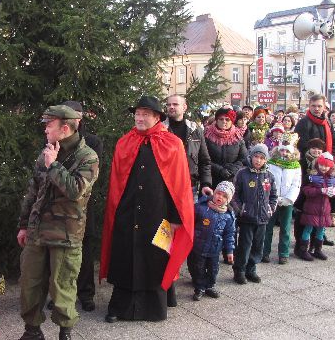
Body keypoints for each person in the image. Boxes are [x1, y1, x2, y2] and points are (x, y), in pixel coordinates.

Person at [100, 96, 193, 323]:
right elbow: (117, 182)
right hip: (127, 212)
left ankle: (154, 308)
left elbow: (179, 186)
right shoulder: (125, 142)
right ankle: (120, 307)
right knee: (125, 257)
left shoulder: (172, 144)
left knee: (156, 259)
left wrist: (174, 218)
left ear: (157, 117)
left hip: (158, 214)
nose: (140, 118)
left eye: (145, 114)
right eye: (137, 114)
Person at [17, 105, 99, 340]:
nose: (45, 129)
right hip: (37, 232)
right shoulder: (46, 152)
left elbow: (75, 190)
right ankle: (32, 331)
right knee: (30, 284)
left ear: (64, 128)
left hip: (66, 234)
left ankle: (65, 333)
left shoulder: (88, 157)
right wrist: (24, 225)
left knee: (62, 286)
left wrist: (53, 165)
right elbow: (32, 193)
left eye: (49, 125)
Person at [61, 100, 103, 312]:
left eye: (77, 115)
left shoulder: (92, 142)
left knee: (84, 251)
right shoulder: (53, 140)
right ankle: (61, 294)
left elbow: (87, 175)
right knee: (60, 253)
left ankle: (86, 293)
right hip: (59, 208)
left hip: (83, 205)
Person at [230, 144, 277, 285]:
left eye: (262, 158)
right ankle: (240, 270)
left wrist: (270, 209)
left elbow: (274, 195)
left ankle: (251, 269)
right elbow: (234, 194)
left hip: (262, 217)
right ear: (251, 157)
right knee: (244, 246)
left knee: (258, 246)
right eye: (256, 157)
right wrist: (240, 209)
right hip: (246, 217)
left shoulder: (269, 176)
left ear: (265, 160)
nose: (258, 160)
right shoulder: (243, 173)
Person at [189, 181, 235, 301]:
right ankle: (199, 287)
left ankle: (209, 286)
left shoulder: (228, 216)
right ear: (214, 193)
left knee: (213, 269)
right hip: (199, 246)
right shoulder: (201, 208)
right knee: (198, 268)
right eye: (218, 193)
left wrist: (229, 251)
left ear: (228, 200)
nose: (220, 197)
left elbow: (229, 234)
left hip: (215, 248)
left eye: (224, 196)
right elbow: (190, 221)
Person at [164, 94, 213, 196]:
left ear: (184, 107)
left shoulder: (195, 130)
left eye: (175, 104)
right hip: (166, 186)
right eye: (169, 105)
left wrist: (206, 183)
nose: (171, 107)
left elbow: (204, 160)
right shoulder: (161, 130)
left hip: (191, 186)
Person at [263, 139, 301, 265]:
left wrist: (288, 199)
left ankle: (283, 253)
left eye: (287, 151)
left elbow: (296, 184)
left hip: (287, 200)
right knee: (268, 226)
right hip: (272, 199)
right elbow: (267, 180)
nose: (284, 153)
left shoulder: (295, 165)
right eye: (282, 150)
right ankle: (264, 251)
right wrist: (272, 197)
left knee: (285, 228)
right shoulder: (271, 162)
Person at [298, 152, 335, 261]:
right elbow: (306, 190)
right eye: (322, 165)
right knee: (308, 228)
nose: (324, 168)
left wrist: (332, 192)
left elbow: (333, 194)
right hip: (312, 207)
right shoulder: (313, 177)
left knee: (321, 229)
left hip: (324, 208)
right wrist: (320, 190)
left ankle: (318, 250)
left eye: (326, 166)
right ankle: (303, 250)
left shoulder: (331, 178)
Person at [204, 107, 248, 188]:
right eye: (221, 119)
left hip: (232, 179)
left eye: (227, 119)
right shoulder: (207, 135)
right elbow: (203, 158)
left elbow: (243, 158)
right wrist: (219, 170)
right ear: (216, 120)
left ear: (232, 121)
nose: (224, 121)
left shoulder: (237, 136)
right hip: (211, 178)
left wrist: (234, 169)